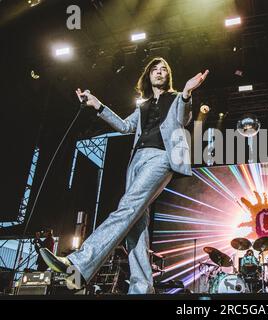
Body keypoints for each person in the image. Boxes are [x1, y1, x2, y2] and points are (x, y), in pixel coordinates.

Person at [40, 57, 209, 294]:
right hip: (137, 161)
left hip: (161, 158)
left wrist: (187, 93)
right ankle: (142, 289)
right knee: (135, 225)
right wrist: (98, 105)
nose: (159, 73)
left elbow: (184, 119)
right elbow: (124, 127)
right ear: (148, 76)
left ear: (168, 76)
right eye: (155, 70)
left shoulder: (176, 99)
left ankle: (78, 264)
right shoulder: (143, 105)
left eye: (163, 70)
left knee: (127, 209)